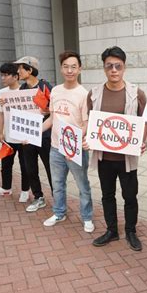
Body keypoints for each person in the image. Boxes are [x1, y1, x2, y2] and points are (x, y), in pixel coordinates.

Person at [86, 46, 147, 251]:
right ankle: (112, 230)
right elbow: (91, 123)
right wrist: (87, 138)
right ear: (104, 68)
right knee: (107, 195)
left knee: (130, 196)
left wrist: (142, 140)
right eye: (109, 66)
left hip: (126, 157)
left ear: (124, 67)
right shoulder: (94, 94)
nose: (113, 70)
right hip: (105, 158)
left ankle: (131, 230)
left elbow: (143, 122)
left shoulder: (136, 93)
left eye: (118, 66)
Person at [40, 51, 94, 231]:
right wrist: (35, 132)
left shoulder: (84, 94)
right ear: (61, 68)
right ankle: (59, 212)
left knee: (82, 185)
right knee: (57, 184)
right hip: (55, 148)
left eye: (73, 67)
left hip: (75, 148)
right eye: (66, 66)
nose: (69, 70)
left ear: (79, 69)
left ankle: (87, 217)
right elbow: (51, 119)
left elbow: (86, 124)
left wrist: (75, 142)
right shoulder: (55, 91)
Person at [13, 56, 53, 212]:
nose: (18, 71)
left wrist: (48, 110)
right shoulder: (21, 90)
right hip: (27, 137)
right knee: (30, 168)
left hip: (45, 135)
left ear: (30, 70)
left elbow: (54, 109)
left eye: (21, 68)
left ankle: (58, 197)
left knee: (51, 168)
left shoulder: (45, 86)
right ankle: (38, 197)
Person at [0, 63, 30, 203]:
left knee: (25, 166)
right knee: (6, 164)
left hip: (24, 138)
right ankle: (5, 188)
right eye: (2, 75)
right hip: (9, 137)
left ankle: (25, 191)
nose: (3, 78)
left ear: (16, 76)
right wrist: (0, 133)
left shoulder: (25, 91)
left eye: (6, 75)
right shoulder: (1, 93)